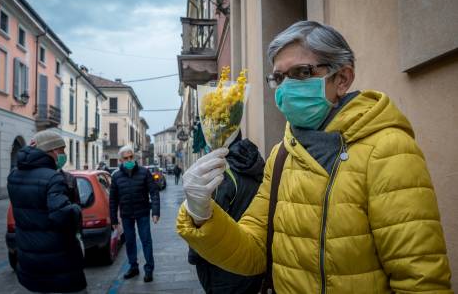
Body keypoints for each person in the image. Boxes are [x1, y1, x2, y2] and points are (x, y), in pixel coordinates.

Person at [177, 21, 452, 293]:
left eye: (302, 72)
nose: (286, 88)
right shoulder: (281, 154)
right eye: (279, 78)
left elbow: (419, 279)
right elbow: (254, 252)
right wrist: (202, 215)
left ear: (342, 79)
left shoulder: (388, 149)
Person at [7, 130, 86, 293]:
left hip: (28, 256)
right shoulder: (53, 178)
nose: (64, 154)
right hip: (57, 258)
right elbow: (61, 214)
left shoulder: (14, 176)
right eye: (62, 150)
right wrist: (76, 209)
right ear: (52, 150)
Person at [188, 133, 265, 294]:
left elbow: (205, 224)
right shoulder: (256, 166)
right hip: (252, 264)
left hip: (223, 267)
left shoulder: (220, 176)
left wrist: (194, 256)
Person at [110, 145, 160, 282]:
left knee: (146, 241)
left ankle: (149, 270)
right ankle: (133, 267)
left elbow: (154, 192)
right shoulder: (116, 176)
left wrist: (155, 212)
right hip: (126, 214)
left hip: (143, 212)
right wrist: (114, 219)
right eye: (126, 158)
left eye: (131, 157)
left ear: (134, 157)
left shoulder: (144, 172)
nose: (129, 160)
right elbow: (113, 199)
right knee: (130, 242)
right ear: (121, 160)